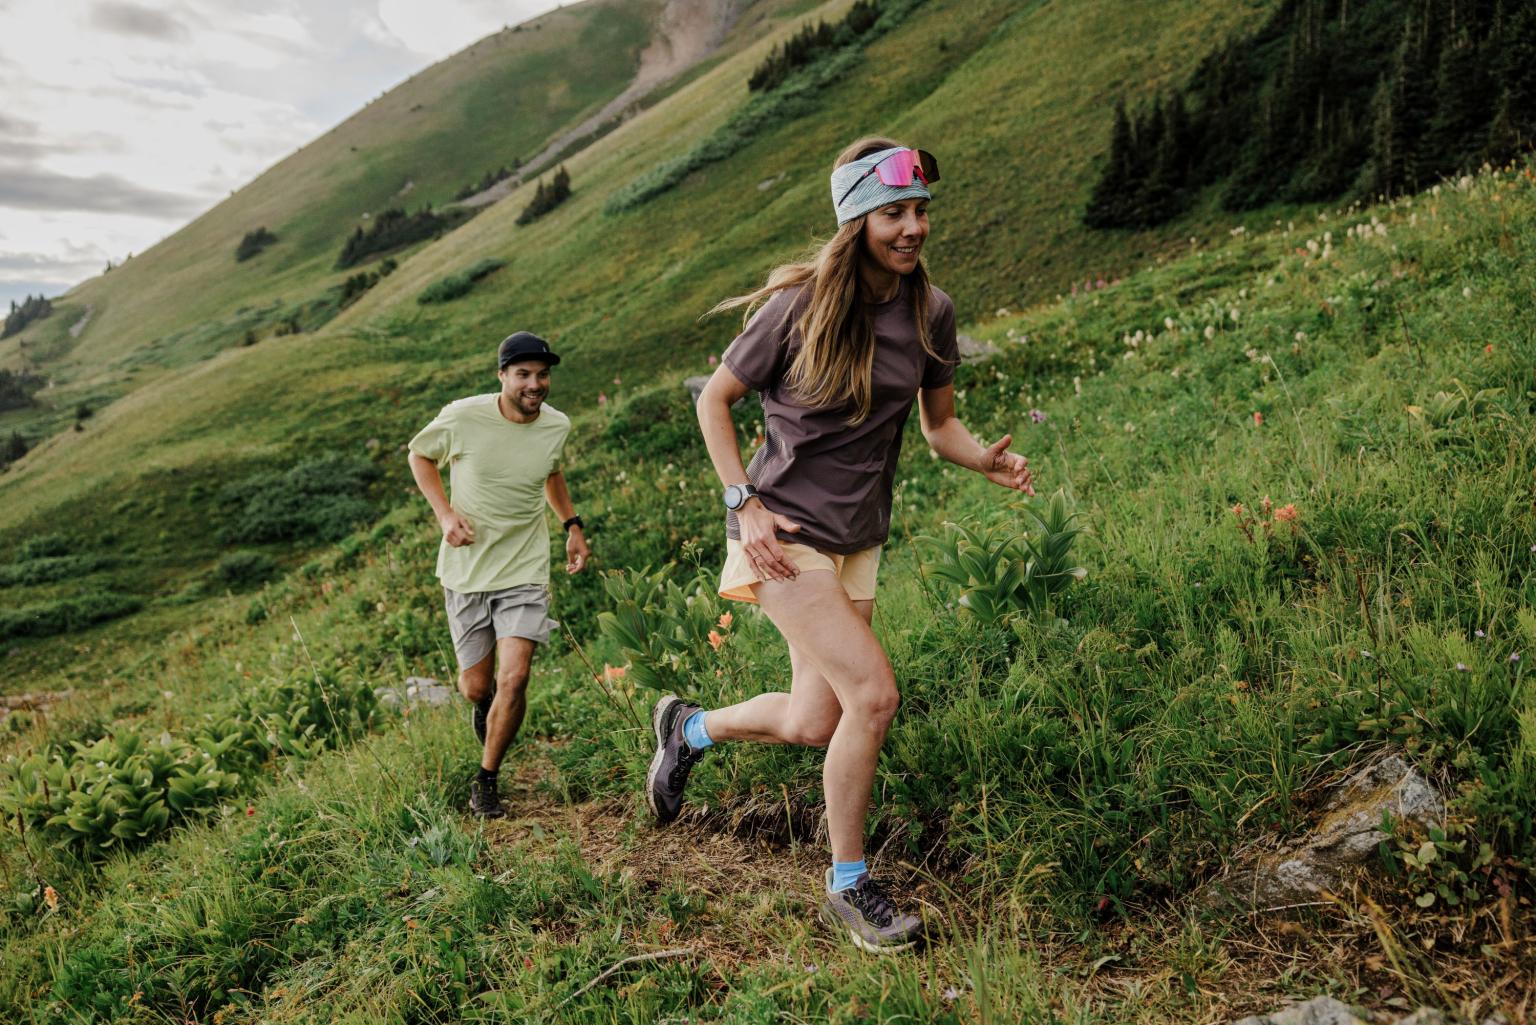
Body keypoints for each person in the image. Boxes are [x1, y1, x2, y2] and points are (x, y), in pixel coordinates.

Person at [645, 138, 1034, 952]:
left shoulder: (933, 312)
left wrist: (983, 458)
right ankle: (851, 885)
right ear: (856, 218)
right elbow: (715, 401)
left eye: (921, 211)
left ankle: (689, 730)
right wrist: (741, 503)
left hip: (859, 539)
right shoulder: (798, 304)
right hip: (781, 533)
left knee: (818, 719)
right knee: (875, 696)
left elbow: (939, 425)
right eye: (895, 212)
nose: (913, 227)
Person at [408, 331, 590, 819]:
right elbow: (419, 455)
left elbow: (551, 471)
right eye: (524, 374)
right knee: (477, 686)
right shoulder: (464, 416)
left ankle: (486, 779)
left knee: (517, 676)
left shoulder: (556, 425)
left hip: (524, 567)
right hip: (467, 571)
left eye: (543, 374)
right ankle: (481, 704)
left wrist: (571, 524)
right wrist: (446, 515)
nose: (536, 384)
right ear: (503, 376)